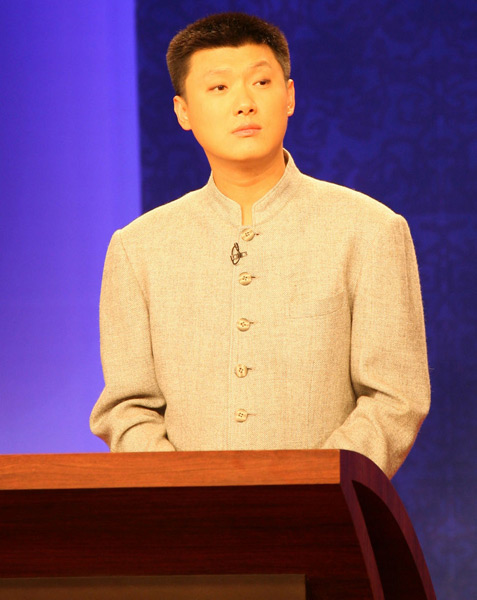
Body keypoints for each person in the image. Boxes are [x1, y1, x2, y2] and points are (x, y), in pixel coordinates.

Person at [90, 12, 430, 478]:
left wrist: (313, 485)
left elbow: (395, 397)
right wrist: (186, 490)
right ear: (183, 111)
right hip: (187, 514)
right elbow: (126, 409)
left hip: (325, 510)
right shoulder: (138, 248)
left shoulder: (370, 230)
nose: (244, 104)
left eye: (261, 82)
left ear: (289, 96)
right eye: (219, 87)